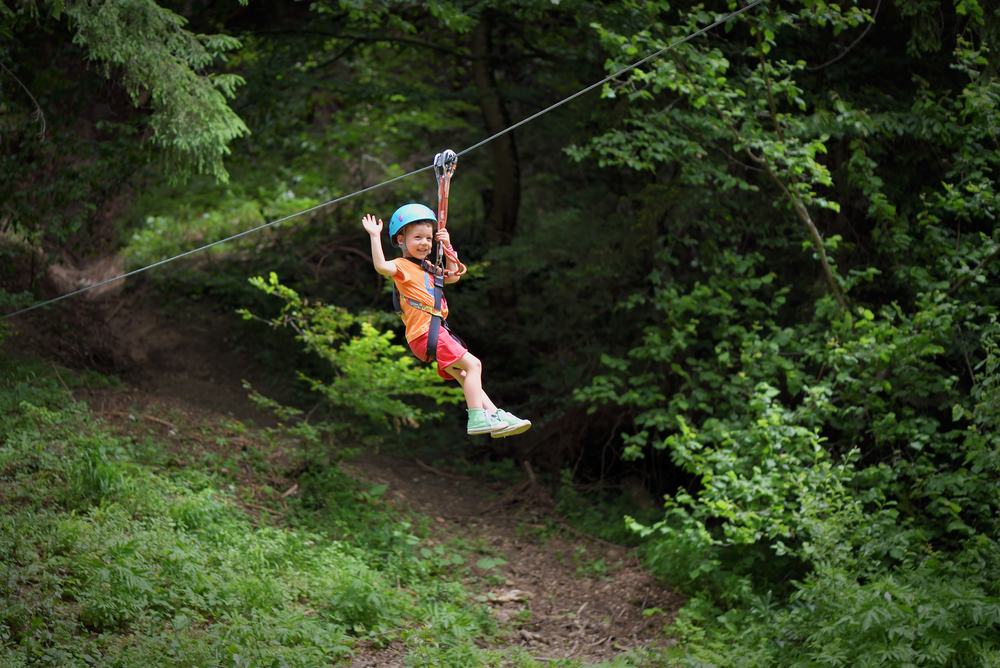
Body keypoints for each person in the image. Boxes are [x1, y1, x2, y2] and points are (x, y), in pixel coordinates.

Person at [362, 204, 531, 437]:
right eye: (417, 237)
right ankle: (476, 418)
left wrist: (447, 245)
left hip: (429, 334)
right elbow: (381, 266)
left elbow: (452, 276)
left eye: (429, 238)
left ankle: (495, 414)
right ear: (401, 240)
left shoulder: (427, 267)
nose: (424, 243)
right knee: (474, 365)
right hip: (426, 332)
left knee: (463, 375)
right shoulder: (402, 266)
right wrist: (374, 236)